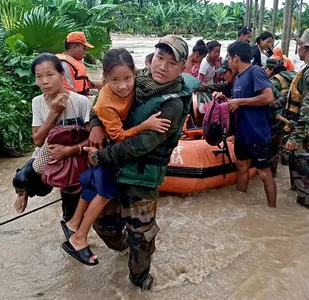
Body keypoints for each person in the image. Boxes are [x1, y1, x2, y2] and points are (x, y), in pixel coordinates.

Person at [84, 35, 199, 290]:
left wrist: (101, 156)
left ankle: (139, 281)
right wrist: (95, 126)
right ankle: (123, 246)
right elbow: (100, 103)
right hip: (114, 171)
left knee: (142, 235)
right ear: (152, 57)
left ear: (183, 68)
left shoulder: (173, 104)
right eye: (160, 58)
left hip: (141, 178)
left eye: (172, 62)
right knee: (102, 224)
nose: (162, 66)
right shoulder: (133, 81)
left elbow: (142, 144)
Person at [61, 48, 171, 266]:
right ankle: (79, 237)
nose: (123, 86)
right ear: (105, 78)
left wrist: (95, 123)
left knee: (93, 186)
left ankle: (73, 223)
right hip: (111, 149)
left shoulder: (139, 82)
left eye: (127, 78)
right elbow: (119, 136)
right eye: (115, 80)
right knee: (106, 192)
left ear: (135, 72)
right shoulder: (107, 103)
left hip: (108, 146)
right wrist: (145, 125)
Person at [13, 54, 93, 222]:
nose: (44, 81)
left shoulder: (81, 102)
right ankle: (24, 192)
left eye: (50, 74)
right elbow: (37, 141)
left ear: (62, 75)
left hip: (74, 158)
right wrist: (54, 113)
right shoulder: (37, 102)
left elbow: (94, 139)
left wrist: (69, 150)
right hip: (46, 155)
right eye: (39, 76)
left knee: (70, 211)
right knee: (21, 180)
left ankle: (72, 231)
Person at [218, 40, 277, 207]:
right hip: (242, 133)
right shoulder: (237, 79)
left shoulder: (255, 71)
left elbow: (268, 97)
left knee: (264, 173)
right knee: (241, 167)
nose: (228, 62)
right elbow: (238, 102)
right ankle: (241, 205)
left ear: (236, 58)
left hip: (257, 133)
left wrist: (240, 101)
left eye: (229, 58)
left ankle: (272, 210)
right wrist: (227, 100)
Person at [272, 28, 309, 209]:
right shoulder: (307, 70)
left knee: (304, 171)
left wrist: (296, 136)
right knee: (296, 169)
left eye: (299, 45)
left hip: (301, 132)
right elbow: (294, 97)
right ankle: (298, 209)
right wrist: (273, 104)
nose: (298, 48)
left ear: (305, 48)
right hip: (294, 127)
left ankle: (305, 207)